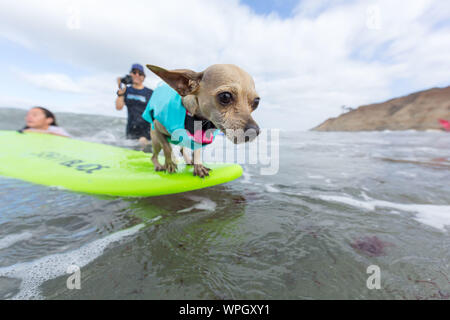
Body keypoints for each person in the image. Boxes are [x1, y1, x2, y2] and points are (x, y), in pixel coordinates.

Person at [115, 63, 153, 147]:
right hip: (130, 130)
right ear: (130, 74)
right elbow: (118, 107)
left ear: (144, 77)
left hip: (146, 130)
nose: (137, 75)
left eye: (140, 73)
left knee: (142, 143)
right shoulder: (126, 90)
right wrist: (120, 90)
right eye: (134, 72)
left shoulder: (150, 92)